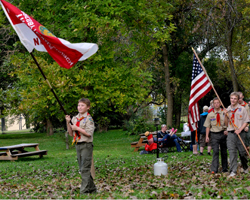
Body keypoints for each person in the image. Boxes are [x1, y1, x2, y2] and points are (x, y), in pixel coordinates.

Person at [65, 98, 97, 194]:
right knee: (82, 168)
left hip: (86, 145)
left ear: (88, 107)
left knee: (85, 169)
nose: (80, 107)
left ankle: (84, 191)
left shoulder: (89, 119)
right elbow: (71, 133)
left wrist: (77, 128)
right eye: (79, 105)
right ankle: (92, 189)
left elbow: (88, 134)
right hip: (77, 145)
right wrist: (68, 122)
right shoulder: (75, 118)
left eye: (82, 105)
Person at [224, 92, 249, 177]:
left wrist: (240, 130)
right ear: (230, 99)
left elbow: (246, 121)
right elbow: (226, 124)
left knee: (242, 152)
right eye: (232, 98)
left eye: (235, 98)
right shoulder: (227, 109)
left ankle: (245, 167)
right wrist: (225, 115)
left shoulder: (242, 109)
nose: (233, 100)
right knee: (232, 152)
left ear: (238, 100)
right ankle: (233, 171)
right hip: (231, 133)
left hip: (240, 133)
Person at [204, 97, 228, 174]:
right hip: (214, 134)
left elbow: (228, 124)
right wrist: (207, 136)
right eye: (215, 103)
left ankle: (225, 168)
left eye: (218, 102)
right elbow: (208, 126)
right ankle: (214, 169)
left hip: (223, 133)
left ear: (220, 104)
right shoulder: (210, 115)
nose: (216, 104)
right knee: (215, 151)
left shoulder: (224, 112)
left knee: (224, 152)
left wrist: (226, 129)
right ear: (213, 104)